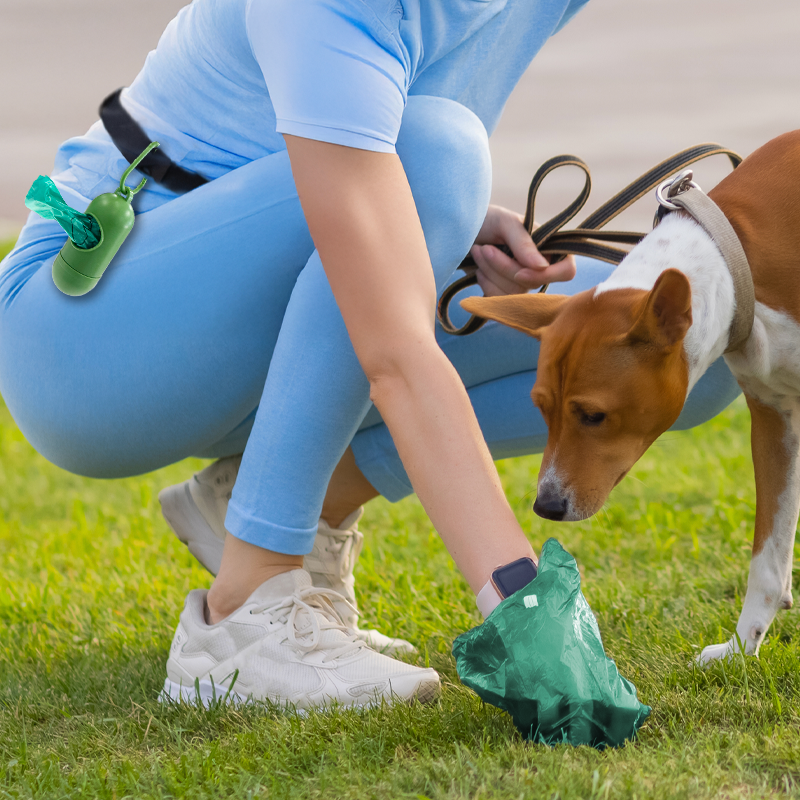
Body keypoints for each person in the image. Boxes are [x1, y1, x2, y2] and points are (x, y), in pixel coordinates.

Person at [0, 0, 740, 710]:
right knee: (439, 154)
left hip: (257, 300)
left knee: (679, 351)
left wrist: (456, 221)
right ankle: (245, 612)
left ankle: (270, 503)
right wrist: (521, 601)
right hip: (83, 341)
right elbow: (394, 349)